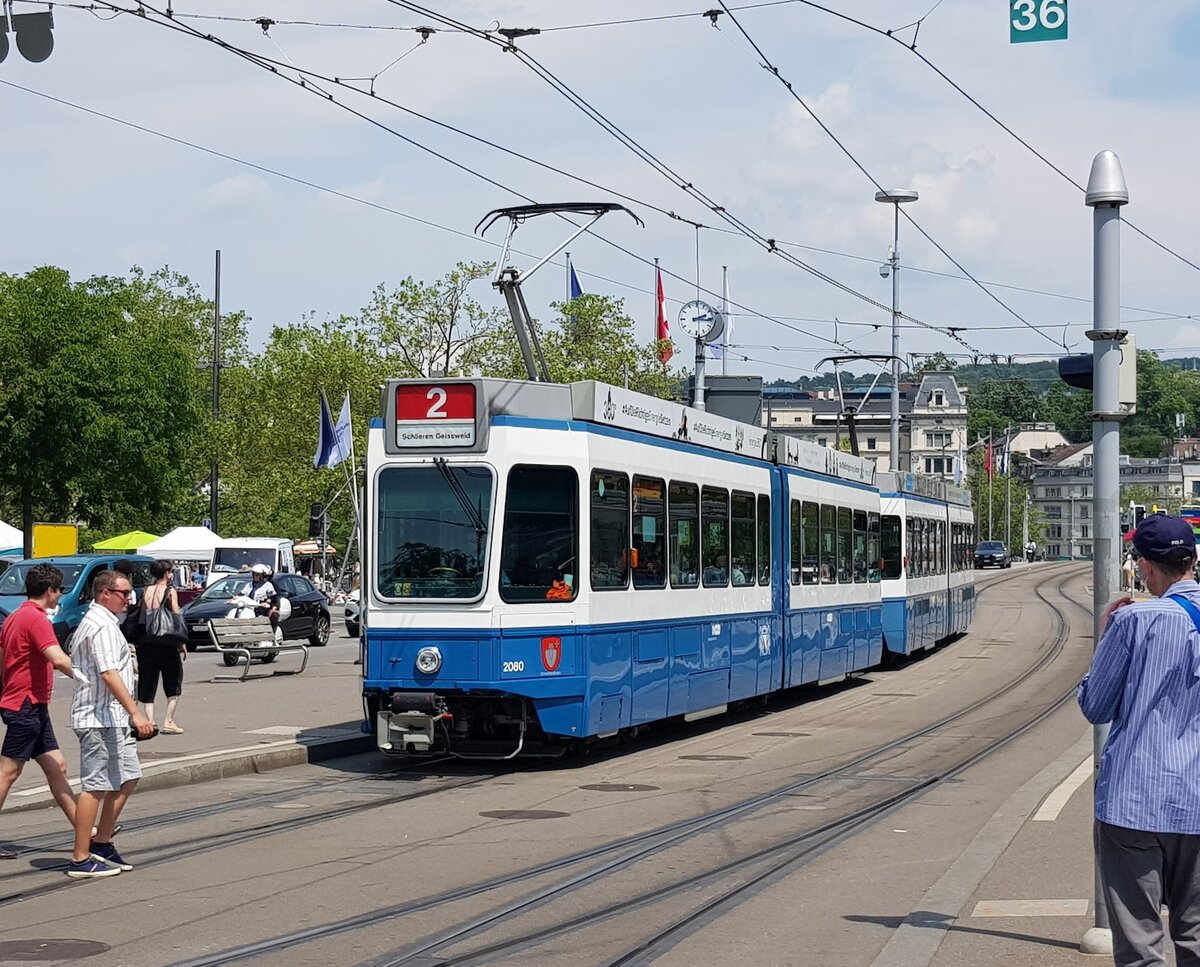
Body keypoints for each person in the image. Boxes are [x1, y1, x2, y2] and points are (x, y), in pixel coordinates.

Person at [1078, 514, 1200, 967]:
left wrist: (1107, 635)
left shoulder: (1134, 620)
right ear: (1194, 559)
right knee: (1197, 933)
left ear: (1145, 566)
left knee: (1140, 942)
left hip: (1135, 801)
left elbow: (1096, 707)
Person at [67, 569, 154, 878]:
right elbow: (107, 672)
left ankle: (102, 841)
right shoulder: (101, 626)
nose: (130, 598)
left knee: (128, 776)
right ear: (105, 594)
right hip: (98, 717)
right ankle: (80, 857)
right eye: (124, 593)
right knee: (96, 785)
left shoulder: (106, 623)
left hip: (110, 717)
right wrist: (136, 712)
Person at [0, 564, 77, 858]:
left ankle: (87, 830)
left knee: (56, 766)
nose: (59, 597)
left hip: (28, 703)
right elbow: (57, 658)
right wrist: (92, 679)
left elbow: (3, 656)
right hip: (26, 704)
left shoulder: (14, 617)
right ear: (50, 591)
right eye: (59, 591)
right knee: (8, 771)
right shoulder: (36, 619)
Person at [136, 560, 186, 735]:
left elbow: (142, 615)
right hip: (166, 642)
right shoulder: (170, 591)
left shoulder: (145, 591)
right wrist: (182, 643)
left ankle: (150, 720)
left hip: (146, 642)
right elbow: (175, 615)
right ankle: (169, 720)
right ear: (167, 573)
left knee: (148, 681)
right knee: (173, 679)